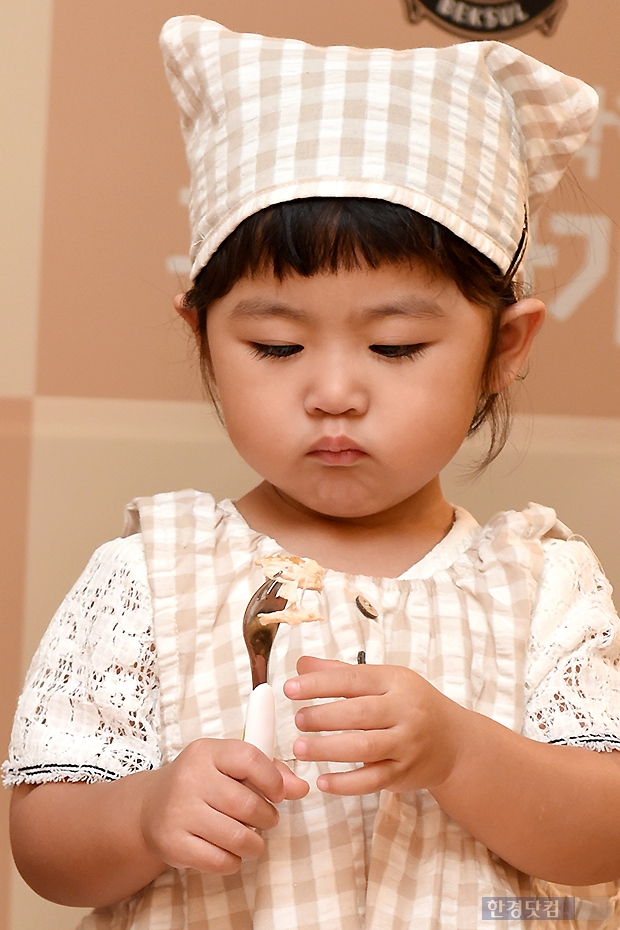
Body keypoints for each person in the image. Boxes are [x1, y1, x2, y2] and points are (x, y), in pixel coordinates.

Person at [5, 15, 620, 930]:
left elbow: (604, 837)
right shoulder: (150, 574)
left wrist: (460, 755)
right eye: (277, 344)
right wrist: (143, 812)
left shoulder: (541, 584)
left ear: (505, 346)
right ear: (204, 339)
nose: (333, 392)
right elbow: (43, 844)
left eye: (397, 346)